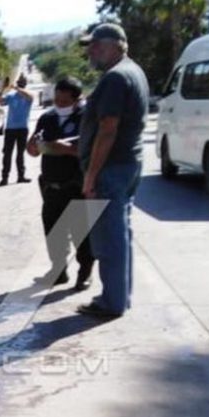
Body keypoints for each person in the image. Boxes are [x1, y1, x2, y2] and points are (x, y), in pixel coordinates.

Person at [76, 23, 150, 319]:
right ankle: (119, 297)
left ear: (113, 46)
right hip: (127, 165)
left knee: (109, 239)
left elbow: (108, 129)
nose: (91, 52)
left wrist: (91, 174)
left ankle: (112, 302)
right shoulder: (133, 71)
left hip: (111, 168)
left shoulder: (116, 78)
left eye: (95, 46)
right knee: (120, 234)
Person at [26, 76, 94, 290]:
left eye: (65, 101)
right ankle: (58, 270)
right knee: (53, 231)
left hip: (76, 185)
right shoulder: (47, 118)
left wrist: (66, 149)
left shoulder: (87, 118)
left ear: (77, 99)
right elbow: (33, 149)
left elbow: (92, 150)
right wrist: (33, 146)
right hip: (51, 186)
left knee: (81, 232)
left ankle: (85, 272)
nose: (60, 104)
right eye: (57, 100)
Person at [0, 74, 34, 186]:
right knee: (7, 154)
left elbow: (29, 96)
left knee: (20, 154)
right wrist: (3, 88)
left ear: (25, 84)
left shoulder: (28, 96)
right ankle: (4, 178)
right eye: (20, 82)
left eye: (23, 82)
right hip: (10, 129)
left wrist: (16, 88)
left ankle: (21, 176)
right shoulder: (11, 96)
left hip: (23, 128)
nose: (21, 84)